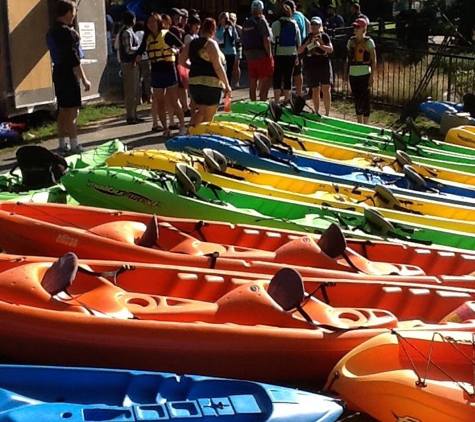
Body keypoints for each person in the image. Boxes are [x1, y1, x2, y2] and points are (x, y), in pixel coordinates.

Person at [46, 0, 91, 154]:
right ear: (68, 12)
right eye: (73, 12)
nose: (74, 15)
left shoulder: (51, 31)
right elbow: (74, 59)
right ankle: (74, 145)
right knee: (73, 112)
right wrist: (84, 79)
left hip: (58, 73)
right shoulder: (68, 32)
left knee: (63, 110)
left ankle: (61, 144)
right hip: (69, 75)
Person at [138, 13, 185, 136]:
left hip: (168, 68)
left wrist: (175, 50)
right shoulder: (147, 37)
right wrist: (134, 58)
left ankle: (182, 126)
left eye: (153, 22)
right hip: (155, 70)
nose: (151, 25)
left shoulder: (167, 34)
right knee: (159, 101)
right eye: (149, 22)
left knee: (174, 100)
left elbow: (182, 46)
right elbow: (140, 50)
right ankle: (165, 129)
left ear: (159, 23)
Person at [179, 18, 231, 127]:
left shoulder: (191, 44)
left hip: (195, 83)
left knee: (201, 112)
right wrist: (227, 84)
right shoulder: (211, 44)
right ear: (213, 30)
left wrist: (193, 66)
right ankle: (201, 138)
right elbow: (217, 66)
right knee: (209, 115)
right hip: (211, 83)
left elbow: (181, 61)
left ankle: (189, 135)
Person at [298, 16, 333, 115]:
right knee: (315, 89)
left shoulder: (324, 36)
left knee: (326, 88)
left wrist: (319, 45)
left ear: (320, 26)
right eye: (312, 24)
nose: (314, 26)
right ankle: (317, 111)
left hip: (323, 64)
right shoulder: (308, 37)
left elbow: (330, 49)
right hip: (311, 65)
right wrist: (307, 44)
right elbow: (299, 50)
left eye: (316, 24)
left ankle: (327, 113)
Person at [343, 18, 376, 123]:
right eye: (355, 27)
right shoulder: (350, 41)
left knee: (365, 99)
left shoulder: (369, 42)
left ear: (364, 29)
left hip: (365, 73)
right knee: (357, 99)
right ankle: (359, 122)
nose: (355, 29)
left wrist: (372, 77)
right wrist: (345, 73)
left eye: (358, 27)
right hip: (353, 74)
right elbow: (347, 59)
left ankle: (366, 124)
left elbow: (374, 59)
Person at [241, 0, 273, 101]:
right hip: (261, 55)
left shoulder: (246, 22)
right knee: (265, 81)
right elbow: (266, 39)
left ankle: (253, 103)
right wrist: (270, 55)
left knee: (252, 81)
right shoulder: (261, 21)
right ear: (261, 9)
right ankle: (262, 101)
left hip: (250, 56)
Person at [271, 1, 301, 103]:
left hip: (279, 54)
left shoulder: (275, 24)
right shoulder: (294, 23)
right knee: (288, 77)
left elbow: (272, 39)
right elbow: (299, 41)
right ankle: (287, 100)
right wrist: (297, 55)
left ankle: (276, 101)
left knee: (277, 78)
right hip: (292, 54)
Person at [116, 10, 142, 124]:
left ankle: (134, 115)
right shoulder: (126, 32)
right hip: (128, 64)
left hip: (133, 63)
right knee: (130, 91)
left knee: (136, 90)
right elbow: (128, 50)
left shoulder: (130, 31)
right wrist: (139, 49)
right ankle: (130, 116)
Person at [290, 1, 310, 97]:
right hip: (302, 45)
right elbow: (309, 24)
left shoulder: (293, 18)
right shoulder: (301, 15)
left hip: (295, 47)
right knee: (298, 71)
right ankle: (298, 92)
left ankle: (295, 94)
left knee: (294, 72)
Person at [216, 12, 239, 87]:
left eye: (227, 18)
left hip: (232, 52)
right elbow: (219, 37)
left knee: (230, 72)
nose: (226, 20)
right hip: (223, 53)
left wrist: (233, 26)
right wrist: (223, 27)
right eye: (224, 19)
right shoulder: (218, 28)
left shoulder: (231, 28)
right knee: (223, 71)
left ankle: (228, 87)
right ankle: (223, 86)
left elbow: (236, 38)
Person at [134, 20, 151, 104]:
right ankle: (149, 97)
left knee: (138, 79)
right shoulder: (145, 35)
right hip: (146, 58)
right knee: (147, 78)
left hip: (137, 58)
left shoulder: (135, 35)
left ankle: (139, 98)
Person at [229, 12, 243, 89]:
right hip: (229, 48)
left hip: (237, 48)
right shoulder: (226, 27)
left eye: (232, 19)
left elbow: (243, 39)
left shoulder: (239, 28)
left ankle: (237, 82)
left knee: (236, 65)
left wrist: (238, 40)